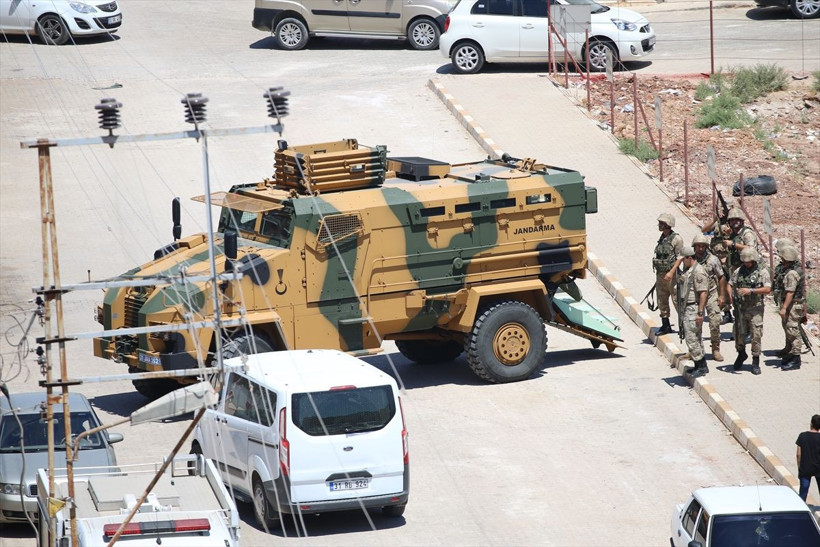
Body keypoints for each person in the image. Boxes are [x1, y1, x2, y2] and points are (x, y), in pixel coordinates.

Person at [728, 247, 771, 375]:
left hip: (755, 307)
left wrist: (751, 291)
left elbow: (768, 289)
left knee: (756, 334)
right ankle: (741, 354)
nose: (746, 264)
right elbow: (730, 283)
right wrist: (730, 296)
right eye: (744, 261)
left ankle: (755, 361)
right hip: (741, 307)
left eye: (748, 262)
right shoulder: (739, 271)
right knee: (738, 333)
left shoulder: (762, 272)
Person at [693, 234, 726, 361]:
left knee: (715, 322)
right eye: (698, 246)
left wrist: (722, 295)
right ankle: (695, 350)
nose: (700, 249)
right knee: (694, 324)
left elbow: (721, 277)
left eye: (703, 246)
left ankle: (715, 349)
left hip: (711, 293)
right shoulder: (691, 259)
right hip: (696, 295)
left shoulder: (713, 260)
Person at [679, 246, 710, 377]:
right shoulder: (689, 270)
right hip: (688, 307)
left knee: (691, 338)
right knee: (696, 338)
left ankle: (700, 365)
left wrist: (700, 312)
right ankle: (700, 365)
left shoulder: (698, 272)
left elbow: (703, 293)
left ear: (689, 258)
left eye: (683, 259)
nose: (682, 262)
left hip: (694, 308)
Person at [774, 245, 805, 370]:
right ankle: (791, 353)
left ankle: (796, 359)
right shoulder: (794, 269)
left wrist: (784, 307)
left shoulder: (792, 273)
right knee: (789, 329)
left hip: (793, 305)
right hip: (793, 304)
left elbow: (790, 292)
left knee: (793, 331)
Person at [653, 213, 684, 335]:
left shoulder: (676, 239)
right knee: (661, 299)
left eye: (662, 223)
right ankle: (665, 325)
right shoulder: (662, 238)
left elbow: (680, 257)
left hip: (672, 275)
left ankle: (684, 326)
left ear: (668, 225)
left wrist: (671, 272)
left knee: (677, 300)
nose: (659, 225)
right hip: (661, 274)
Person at [795, 415, 820, 501]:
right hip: (818, 468)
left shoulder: (802, 436)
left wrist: (799, 467)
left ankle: (801, 508)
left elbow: (798, 454)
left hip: (805, 468)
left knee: (803, 493)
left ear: (811, 424)